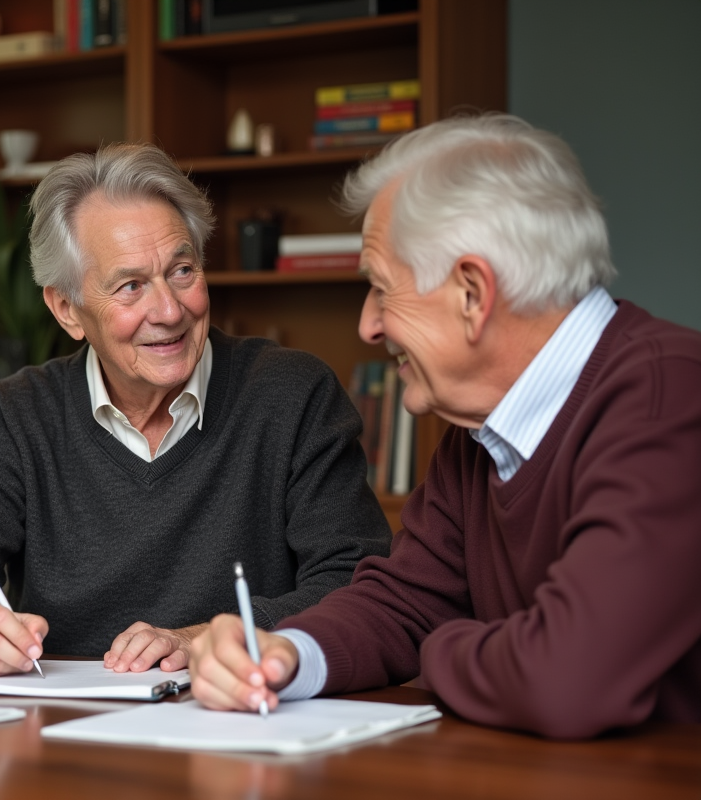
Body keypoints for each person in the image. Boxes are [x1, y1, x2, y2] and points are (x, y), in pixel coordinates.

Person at [189, 114, 701, 738]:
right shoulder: (477, 433)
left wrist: (442, 646)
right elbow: (403, 604)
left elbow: (566, 682)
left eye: (381, 289)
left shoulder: (673, 395)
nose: (367, 326)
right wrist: (284, 655)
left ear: (471, 293)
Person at [0, 143, 391, 676]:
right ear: (67, 309)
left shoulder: (292, 395)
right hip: (67, 735)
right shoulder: (19, 414)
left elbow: (358, 582)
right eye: (131, 286)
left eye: (183, 270)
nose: (169, 310)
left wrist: (209, 638)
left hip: (235, 720)